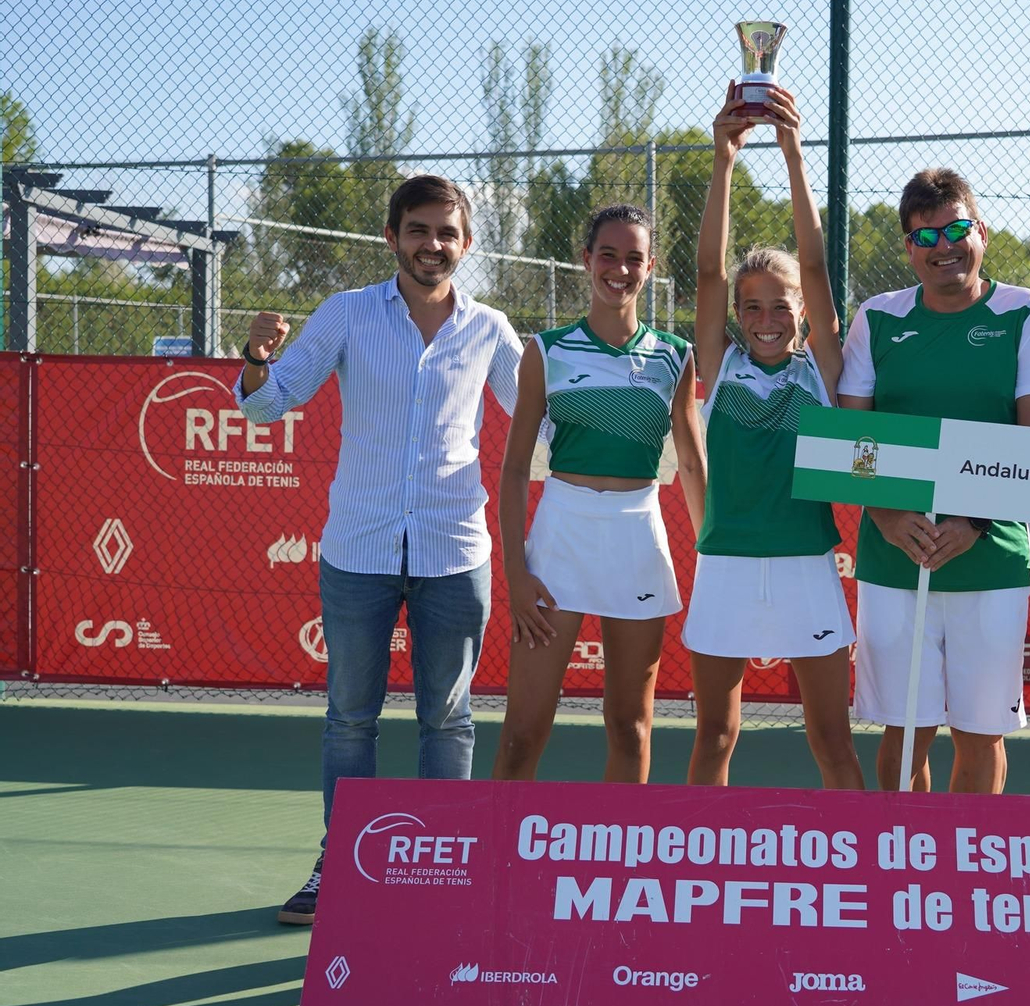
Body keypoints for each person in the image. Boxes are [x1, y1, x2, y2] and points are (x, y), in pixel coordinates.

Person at [236, 175, 522, 924]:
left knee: (449, 721)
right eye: (418, 230)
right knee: (350, 719)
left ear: (466, 244)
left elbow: (543, 422)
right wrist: (256, 357)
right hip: (357, 551)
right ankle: (341, 864)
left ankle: (442, 871)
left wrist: (629, 425)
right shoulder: (347, 313)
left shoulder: (491, 329)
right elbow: (269, 404)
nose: (433, 245)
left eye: (447, 233)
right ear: (392, 236)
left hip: (455, 552)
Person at [837, 168, 1030, 793]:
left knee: (980, 736)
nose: (944, 247)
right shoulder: (876, 318)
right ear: (909, 248)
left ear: (981, 232)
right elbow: (852, 441)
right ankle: (902, 852)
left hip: (989, 557)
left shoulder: (1026, 312)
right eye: (925, 236)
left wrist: (973, 523)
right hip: (894, 558)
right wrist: (888, 518)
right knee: (904, 734)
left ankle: (966, 857)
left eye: (956, 230)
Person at [681, 83, 864, 789]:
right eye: (751, 307)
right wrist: (722, 160)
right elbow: (707, 270)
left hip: (806, 566)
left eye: (780, 307)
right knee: (714, 736)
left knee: (831, 740)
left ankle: (860, 856)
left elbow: (814, 266)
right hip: (724, 566)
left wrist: (793, 154)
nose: (765, 319)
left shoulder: (821, 369)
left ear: (804, 313)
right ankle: (702, 856)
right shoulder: (720, 364)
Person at [491, 204, 706, 784]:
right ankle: (502, 843)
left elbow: (691, 464)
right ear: (586, 260)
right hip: (560, 537)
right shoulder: (546, 351)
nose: (620, 269)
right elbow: (515, 470)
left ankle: (622, 844)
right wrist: (515, 571)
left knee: (630, 729)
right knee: (521, 734)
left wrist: (713, 556)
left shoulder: (674, 355)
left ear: (650, 267)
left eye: (634, 258)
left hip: (638, 536)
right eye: (607, 255)